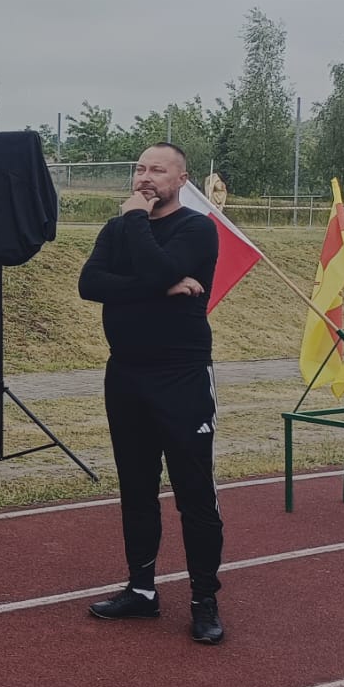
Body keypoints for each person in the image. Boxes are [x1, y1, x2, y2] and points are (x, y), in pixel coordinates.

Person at [77, 143, 227, 644]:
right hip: (126, 375)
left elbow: (159, 267)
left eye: (157, 170)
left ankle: (204, 599)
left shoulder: (197, 229)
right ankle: (141, 591)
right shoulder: (117, 229)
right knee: (137, 489)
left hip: (181, 377)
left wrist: (138, 222)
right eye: (140, 169)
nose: (145, 177)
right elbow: (90, 284)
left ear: (182, 180)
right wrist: (157, 285)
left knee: (194, 494)